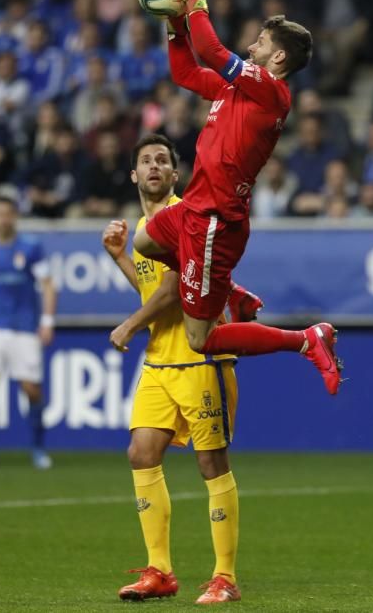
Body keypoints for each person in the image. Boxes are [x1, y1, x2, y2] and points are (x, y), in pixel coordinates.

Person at [130, 0, 341, 394]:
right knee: (145, 241)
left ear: (278, 57)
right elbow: (186, 73)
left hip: (214, 221)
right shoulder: (236, 89)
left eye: (261, 41)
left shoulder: (271, 92)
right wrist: (175, 26)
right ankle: (230, 291)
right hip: (193, 208)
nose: (251, 44)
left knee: (200, 338)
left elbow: (209, 50)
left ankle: (305, 339)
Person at [103, 135, 263, 604]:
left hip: (200, 357)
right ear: (134, 175)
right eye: (145, 161)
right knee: (141, 452)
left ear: (176, 174)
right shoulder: (143, 225)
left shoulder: (188, 217)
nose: (154, 166)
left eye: (162, 161)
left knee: (211, 463)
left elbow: (175, 289)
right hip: (160, 359)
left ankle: (225, 577)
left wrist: (130, 325)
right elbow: (154, 291)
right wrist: (120, 259)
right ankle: (159, 571)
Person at [0, 188, 56, 470]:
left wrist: (46, 321)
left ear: (15, 217)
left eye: (8, 214)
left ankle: (38, 449)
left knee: (31, 389)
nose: (3, 219)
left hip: (23, 328)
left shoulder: (30, 247)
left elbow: (47, 285)